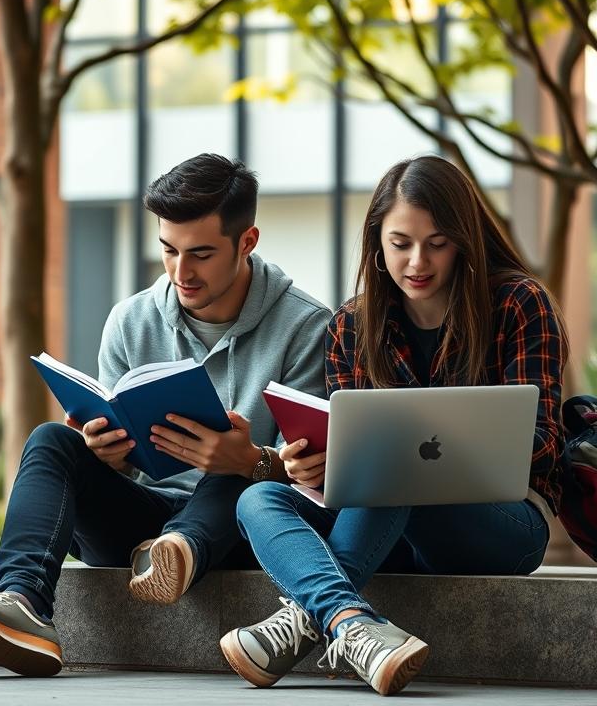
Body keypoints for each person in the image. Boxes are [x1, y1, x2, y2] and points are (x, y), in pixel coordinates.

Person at [0, 153, 333, 676]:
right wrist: (105, 452)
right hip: (139, 537)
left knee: (234, 476)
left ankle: (179, 548)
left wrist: (253, 461)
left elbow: (317, 483)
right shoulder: (131, 320)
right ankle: (21, 607)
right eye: (168, 250)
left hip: (237, 533)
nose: (180, 272)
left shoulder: (307, 326)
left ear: (247, 241)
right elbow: (122, 460)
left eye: (200, 254)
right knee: (50, 440)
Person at [220, 155, 566, 696]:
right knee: (256, 500)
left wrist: (431, 453)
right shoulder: (352, 325)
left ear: (465, 240)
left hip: (503, 522)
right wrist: (311, 462)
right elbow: (347, 448)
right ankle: (354, 626)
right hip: (384, 523)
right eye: (400, 243)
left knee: (394, 463)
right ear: (377, 244)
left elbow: (543, 442)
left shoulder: (520, 303)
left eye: (437, 242)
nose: (417, 261)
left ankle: (306, 621)